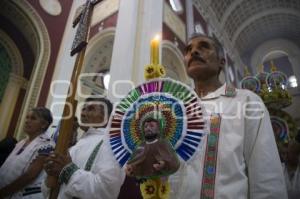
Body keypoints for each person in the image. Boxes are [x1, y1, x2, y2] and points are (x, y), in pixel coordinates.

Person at [169, 33, 288, 198]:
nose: (194, 52)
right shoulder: (176, 108)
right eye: (189, 50)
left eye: (203, 46)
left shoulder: (247, 101)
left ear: (221, 62)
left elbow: (266, 174)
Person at [42, 97, 125, 199]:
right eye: (83, 109)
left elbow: (105, 190)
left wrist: (68, 170)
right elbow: (55, 189)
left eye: (91, 109)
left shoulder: (112, 144)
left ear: (105, 117)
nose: (83, 113)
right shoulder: (77, 145)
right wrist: (50, 177)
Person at [0, 107, 55, 198]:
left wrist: (3, 192)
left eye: (33, 118)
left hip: (23, 194)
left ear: (44, 125)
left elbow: (30, 175)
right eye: (27, 117)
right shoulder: (21, 142)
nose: (27, 121)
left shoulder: (47, 145)